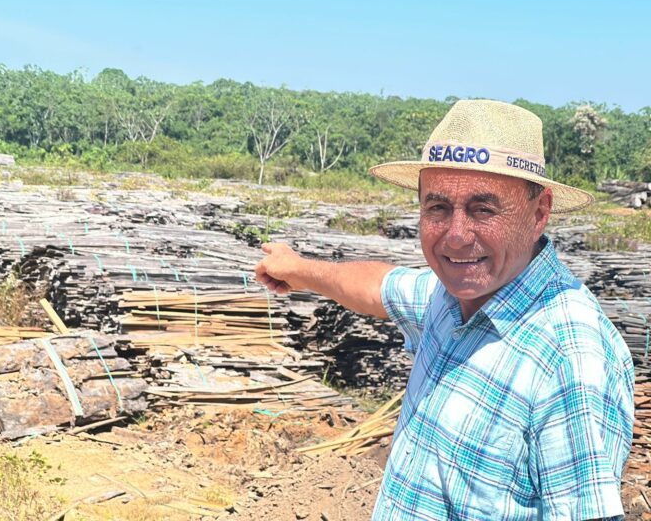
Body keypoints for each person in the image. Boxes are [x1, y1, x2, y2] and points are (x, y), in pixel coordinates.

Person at [255, 99, 635, 520]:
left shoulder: (570, 359)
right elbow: (377, 287)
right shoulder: (450, 298)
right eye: (437, 207)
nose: (455, 236)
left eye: (483, 209)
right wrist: (299, 269)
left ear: (539, 212)